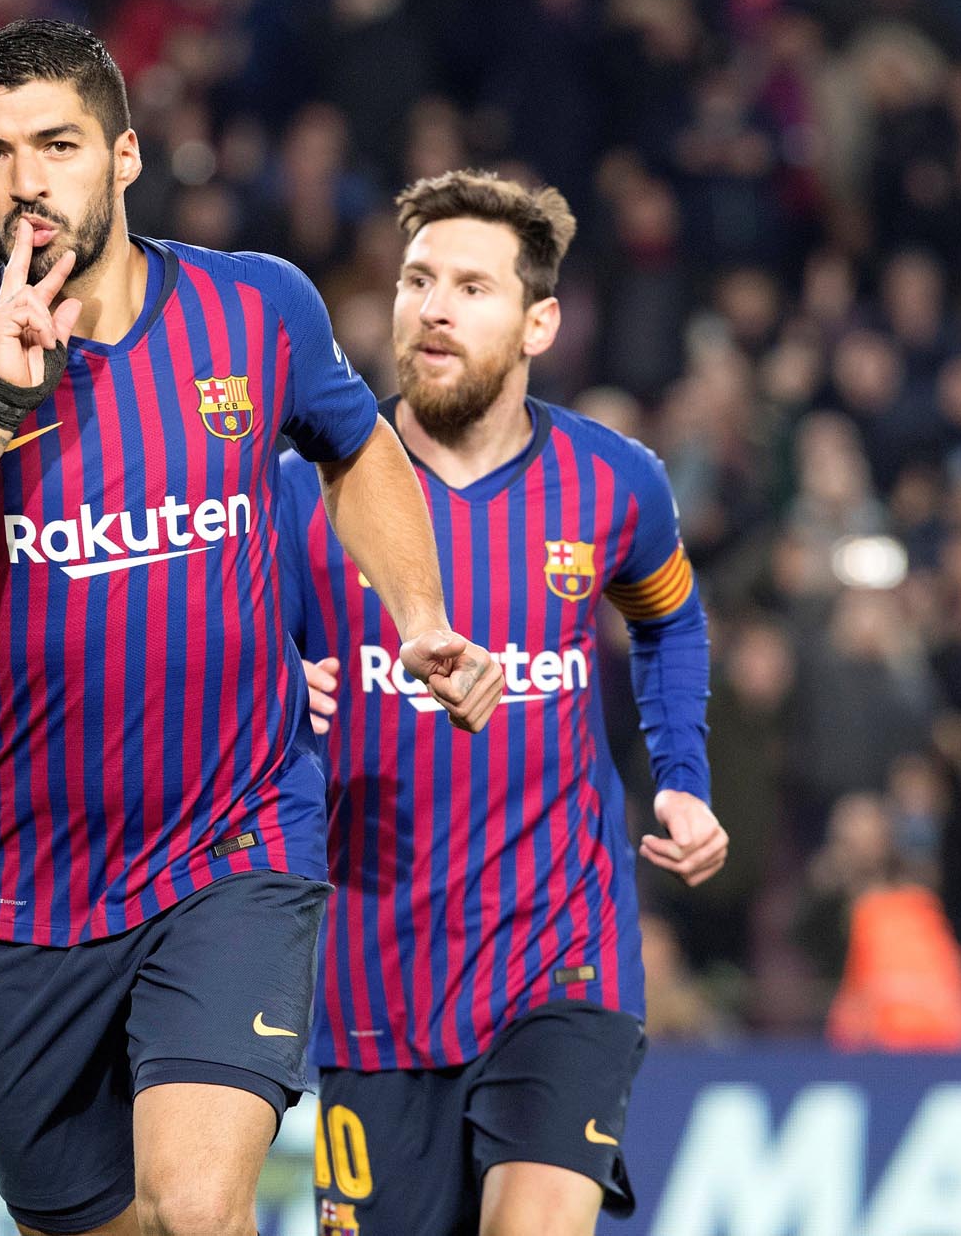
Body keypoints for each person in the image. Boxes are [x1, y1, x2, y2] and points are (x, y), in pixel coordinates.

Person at [0, 19, 503, 1236]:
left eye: (58, 144)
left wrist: (420, 610)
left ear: (125, 156)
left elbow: (356, 450)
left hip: (233, 847)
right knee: (84, 1222)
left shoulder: (256, 309)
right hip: (33, 888)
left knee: (192, 1210)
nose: (26, 181)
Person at [279, 170, 727, 1236]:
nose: (433, 307)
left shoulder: (615, 484)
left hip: (559, 958)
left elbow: (670, 622)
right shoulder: (303, 492)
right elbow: (220, 673)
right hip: (372, 979)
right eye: (417, 280)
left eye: (471, 287)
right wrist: (279, 690)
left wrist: (683, 781)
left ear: (539, 323)